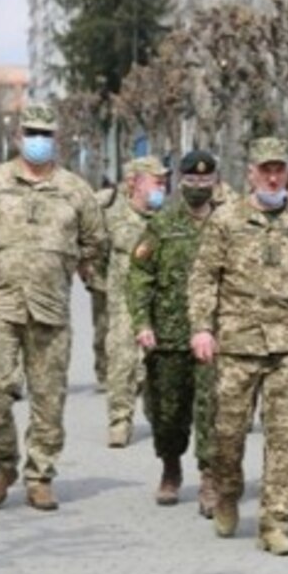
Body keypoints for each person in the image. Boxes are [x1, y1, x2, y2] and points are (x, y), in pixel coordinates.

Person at [188, 137, 288, 556]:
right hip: (237, 344)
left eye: (280, 170)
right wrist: (202, 328)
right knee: (227, 434)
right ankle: (229, 492)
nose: (274, 177)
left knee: (284, 437)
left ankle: (276, 523)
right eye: (266, 169)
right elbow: (203, 277)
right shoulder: (227, 219)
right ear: (250, 172)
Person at [0, 103, 105, 512]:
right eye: (32, 132)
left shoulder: (75, 189)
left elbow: (95, 239)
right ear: (19, 137)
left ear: (56, 139)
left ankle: (40, 476)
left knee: (48, 397)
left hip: (51, 308)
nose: (39, 140)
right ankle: (2, 463)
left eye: (46, 133)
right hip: (0, 305)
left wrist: (62, 264)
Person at [129, 150, 221, 513]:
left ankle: (210, 477)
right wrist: (142, 322)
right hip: (168, 335)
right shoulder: (162, 224)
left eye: (206, 180)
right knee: (167, 414)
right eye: (192, 180)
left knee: (211, 408)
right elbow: (139, 275)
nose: (199, 187)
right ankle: (170, 465)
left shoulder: (227, 222)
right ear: (181, 181)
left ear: (215, 181)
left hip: (215, 336)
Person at [102, 156, 169, 448]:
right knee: (122, 360)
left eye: (164, 182)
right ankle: (120, 419)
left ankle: (158, 416)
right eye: (156, 182)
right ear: (134, 184)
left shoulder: (168, 220)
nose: (162, 187)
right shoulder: (113, 217)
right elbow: (96, 252)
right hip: (124, 303)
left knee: (159, 364)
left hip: (160, 303)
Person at [87, 179, 117, 393]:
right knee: (103, 327)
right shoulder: (102, 202)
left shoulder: (148, 203)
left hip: (130, 276)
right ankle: (104, 372)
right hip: (102, 277)